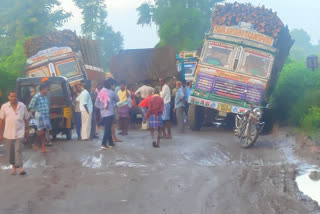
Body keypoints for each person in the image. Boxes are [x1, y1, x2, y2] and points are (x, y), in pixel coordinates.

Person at [0, 91, 29, 175]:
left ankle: (20, 168)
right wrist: (0, 133)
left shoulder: (22, 106)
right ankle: (13, 166)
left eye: (15, 96)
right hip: (8, 134)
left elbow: (26, 119)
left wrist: (27, 131)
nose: (13, 98)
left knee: (18, 150)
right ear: (8, 97)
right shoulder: (4, 107)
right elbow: (1, 121)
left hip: (20, 132)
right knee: (11, 152)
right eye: (12, 96)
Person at [28, 82, 51, 153]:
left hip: (46, 115)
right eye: (46, 89)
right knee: (40, 131)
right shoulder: (36, 96)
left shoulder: (45, 97)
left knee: (44, 132)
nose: (47, 91)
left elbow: (47, 105)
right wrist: (35, 110)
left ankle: (43, 148)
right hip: (39, 115)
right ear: (42, 89)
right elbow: (30, 106)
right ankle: (35, 143)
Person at [98, 78, 119, 149]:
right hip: (109, 113)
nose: (114, 86)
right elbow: (118, 99)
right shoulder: (111, 92)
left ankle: (110, 143)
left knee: (108, 128)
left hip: (103, 113)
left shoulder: (101, 92)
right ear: (111, 85)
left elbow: (97, 103)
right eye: (113, 85)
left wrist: (103, 107)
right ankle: (103, 143)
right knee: (107, 129)